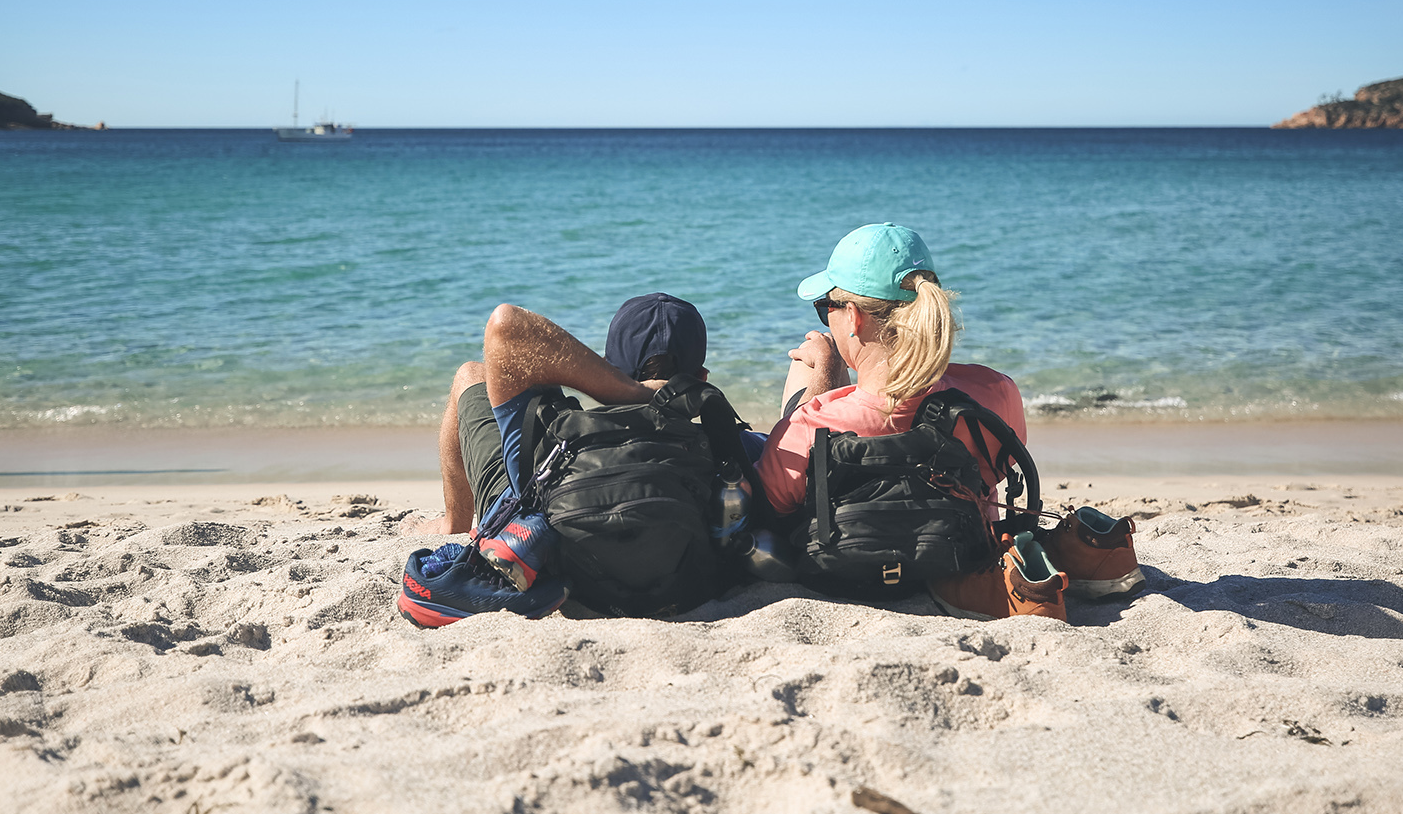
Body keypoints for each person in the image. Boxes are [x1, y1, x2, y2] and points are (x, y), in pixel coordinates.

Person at [754, 223, 1066, 620]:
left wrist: (823, 372)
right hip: (959, 560)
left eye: (825, 307)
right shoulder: (996, 395)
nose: (825, 316)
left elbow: (770, 513)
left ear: (852, 317)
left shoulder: (811, 424)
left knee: (813, 360)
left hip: (846, 570)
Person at [403, 292, 709, 538]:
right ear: (703, 378)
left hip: (543, 524)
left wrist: (632, 392)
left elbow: (506, 324)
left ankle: (451, 525)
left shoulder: (563, 449)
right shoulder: (725, 450)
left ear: (607, 367)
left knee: (470, 375)